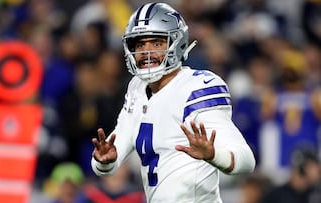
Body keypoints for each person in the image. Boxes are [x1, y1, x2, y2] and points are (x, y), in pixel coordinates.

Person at [91, 3, 256, 202]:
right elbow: (111, 157)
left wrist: (213, 155)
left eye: (156, 43)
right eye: (140, 44)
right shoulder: (137, 87)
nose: (146, 51)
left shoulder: (196, 87)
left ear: (176, 44)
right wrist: (104, 160)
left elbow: (246, 160)